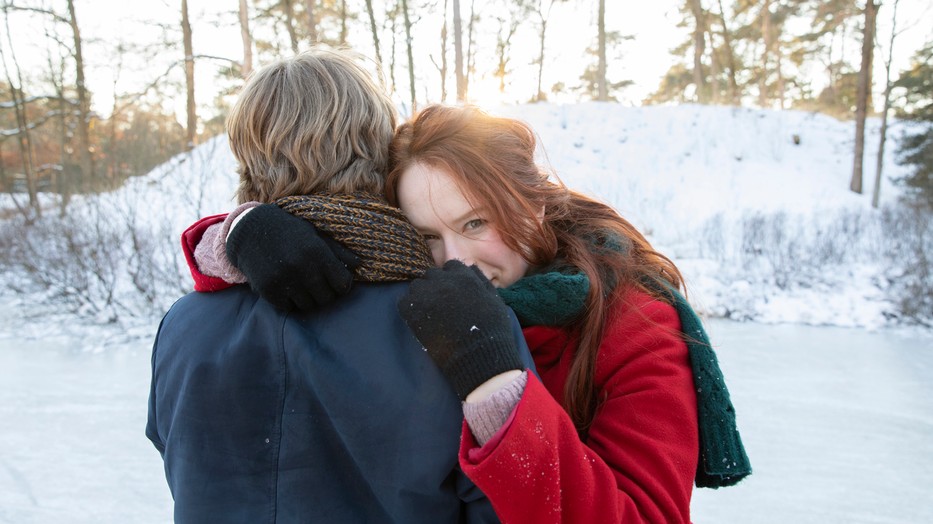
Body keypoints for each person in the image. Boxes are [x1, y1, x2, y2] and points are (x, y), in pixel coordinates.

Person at [187, 106, 751, 523]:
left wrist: (497, 385)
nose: (458, 261)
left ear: (536, 202)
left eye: (477, 223)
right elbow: (319, 249)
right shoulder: (416, 283)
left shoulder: (634, 323)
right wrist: (241, 232)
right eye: (428, 235)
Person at [145, 50, 535, 523]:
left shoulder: (184, 323)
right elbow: (515, 499)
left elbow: (173, 451)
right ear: (380, 151)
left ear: (246, 162)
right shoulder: (455, 319)